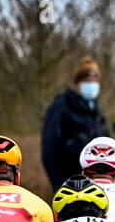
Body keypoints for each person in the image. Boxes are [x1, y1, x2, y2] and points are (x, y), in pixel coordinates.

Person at [41, 57, 109, 190]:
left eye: (95, 81)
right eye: (87, 81)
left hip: (95, 184)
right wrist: (58, 185)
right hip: (69, 182)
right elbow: (49, 148)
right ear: (78, 83)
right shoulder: (61, 105)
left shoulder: (97, 110)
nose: (92, 85)